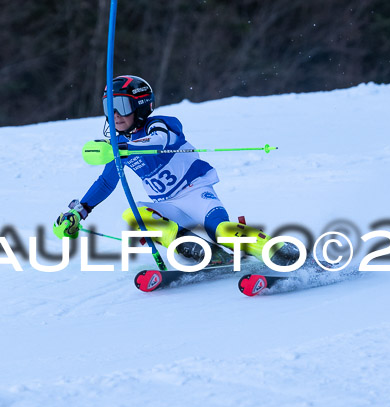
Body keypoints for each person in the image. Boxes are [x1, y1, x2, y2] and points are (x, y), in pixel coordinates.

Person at [53, 75, 296, 267]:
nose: (114, 114)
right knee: (134, 215)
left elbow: (160, 140)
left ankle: (277, 251)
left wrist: (124, 147)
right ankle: (202, 251)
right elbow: (106, 183)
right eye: (109, 107)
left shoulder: (161, 123)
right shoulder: (119, 147)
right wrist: (79, 211)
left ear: (140, 106)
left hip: (195, 193)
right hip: (168, 205)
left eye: (121, 105)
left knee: (221, 230)